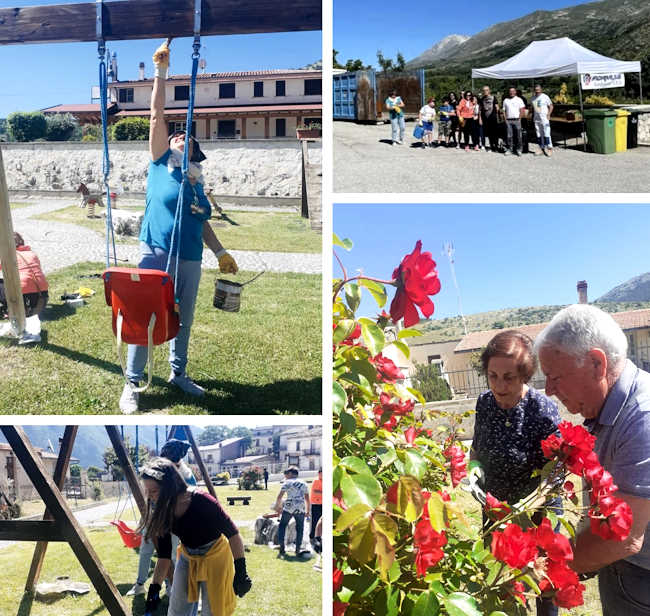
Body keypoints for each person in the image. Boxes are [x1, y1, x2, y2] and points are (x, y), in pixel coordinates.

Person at [119, 40, 238, 414]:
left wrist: (220, 253)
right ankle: (133, 383)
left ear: (193, 152)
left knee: (182, 318)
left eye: (187, 138)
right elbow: (156, 115)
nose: (180, 137)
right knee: (145, 317)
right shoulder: (159, 164)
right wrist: (160, 73)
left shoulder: (196, 182)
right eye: (176, 135)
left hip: (190, 257)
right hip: (155, 251)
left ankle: (178, 373)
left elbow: (202, 223)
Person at [535, 305, 650, 616]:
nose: (548, 390)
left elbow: (623, 539)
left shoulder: (643, 418)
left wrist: (537, 572)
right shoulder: (606, 408)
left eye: (554, 377)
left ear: (597, 364)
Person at [471, 330, 562, 616]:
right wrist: (473, 471)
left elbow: (558, 469)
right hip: (497, 512)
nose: (499, 385)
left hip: (538, 516)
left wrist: (532, 502)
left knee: (542, 586)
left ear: (524, 374)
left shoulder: (542, 408)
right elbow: (476, 449)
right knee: (504, 584)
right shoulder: (485, 404)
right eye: (492, 375)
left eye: (508, 377)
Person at [139, 457, 251, 616]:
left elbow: (233, 534)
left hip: (216, 555)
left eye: (154, 491)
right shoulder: (161, 510)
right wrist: (154, 588)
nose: (150, 497)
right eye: (147, 491)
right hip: (188, 556)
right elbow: (164, 555)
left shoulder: (201, 500)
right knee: (177, 611)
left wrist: (241, 570)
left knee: (213, 611)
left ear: (170, 486)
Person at [126, 438, 197, 597]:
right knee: (146, 550)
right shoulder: (158, 469)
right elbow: (150, 495)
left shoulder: (186, 476)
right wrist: (145, 520)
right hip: (153, 519)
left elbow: (189, 501)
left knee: (169, 554)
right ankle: (139, 584)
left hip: (170, 523)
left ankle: (171, 585)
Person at [0, 232, 49, 324]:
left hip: (23, 296)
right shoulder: (32, 254)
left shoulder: (9, 255)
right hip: (42, 298)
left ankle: (10, 308)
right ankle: (27, 309)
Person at [274, 466, 310, 558]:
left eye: (287, 474)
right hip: (300, 508)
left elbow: (279, 497)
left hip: (289, 508)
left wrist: (278, 508)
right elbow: (307, 499)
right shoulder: (304, 483)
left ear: (290, 474)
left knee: (282, 526)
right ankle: (297, 550)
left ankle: (282, 547)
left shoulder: (287, 483)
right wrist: (308, 511)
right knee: (300, 529)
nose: (286, 475)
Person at [530, 84, 554, 157]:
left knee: (546, 134)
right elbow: (532, 108)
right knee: (539, 134)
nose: (537, 91)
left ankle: (549, 148)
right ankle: (541, 148)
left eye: (538, 90)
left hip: (544, 119)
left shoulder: (545, 96)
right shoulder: (533, 98)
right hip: (537, 119)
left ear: (541, 90)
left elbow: (551, 106)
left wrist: (549, 114)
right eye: (536, 90)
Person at [502, 87, 526, 156]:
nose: (512, 92)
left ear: (515, 92)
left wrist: (520, 118)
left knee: (519, 136)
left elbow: (522, 109)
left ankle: (519, 149)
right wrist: (505, 119)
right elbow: (504, 110)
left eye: (513, 91)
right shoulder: (506, 100)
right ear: (509, 92)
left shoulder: (519, 99)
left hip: (517, 120)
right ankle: (510, 149)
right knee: (509, 136)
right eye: (510, 91)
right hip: (508, 120)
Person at [479, 86, 500, 152]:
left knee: (495, 133)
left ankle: (496, 146)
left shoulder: (493, 97)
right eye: (484, 90)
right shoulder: (482, 99)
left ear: (489, 90)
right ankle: (491, 146)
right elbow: (480, 109)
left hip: (493, 118)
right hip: (486, 118)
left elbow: (497, 107)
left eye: (486, 90)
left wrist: (498, 115)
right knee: (489, 134)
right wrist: (480, 118)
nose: (485, 92)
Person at [309, 468, 322, 545]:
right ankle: (312, 537)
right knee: (315, 521)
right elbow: (316, 491)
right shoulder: (316, 481)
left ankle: (318, 537)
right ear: (319, 473)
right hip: (316, 504)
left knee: (320, 522)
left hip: (321, 504)